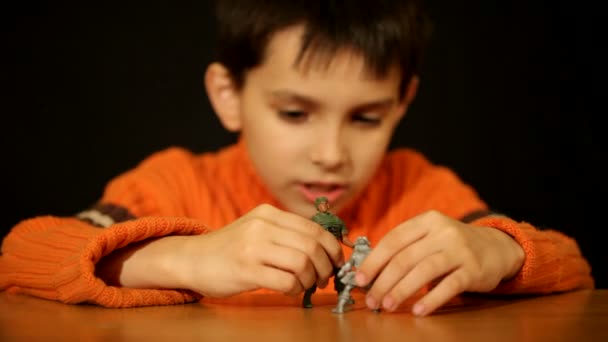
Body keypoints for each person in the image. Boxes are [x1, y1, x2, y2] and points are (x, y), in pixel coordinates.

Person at [0, 0, 594, 316]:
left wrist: (498, 250)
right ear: (228, 95)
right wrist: (184, 258)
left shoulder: (418, 189)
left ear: (403, 100)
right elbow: (20, 255)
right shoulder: (172, 183)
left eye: (366, 117)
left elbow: (574, 271)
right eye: (294, 114)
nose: (331, 156)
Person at [303, 196, 354, 308]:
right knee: (314, 276)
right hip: (320, 253)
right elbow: (309, 238)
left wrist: (354, 246)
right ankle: (307, 297)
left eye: (325, 203)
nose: (324, 206)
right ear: (317, 207)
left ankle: (343, 296)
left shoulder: (337, 220)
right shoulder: (314, 220)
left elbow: (344, 238)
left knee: (341, 275)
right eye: (321, 204)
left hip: (336, 254)